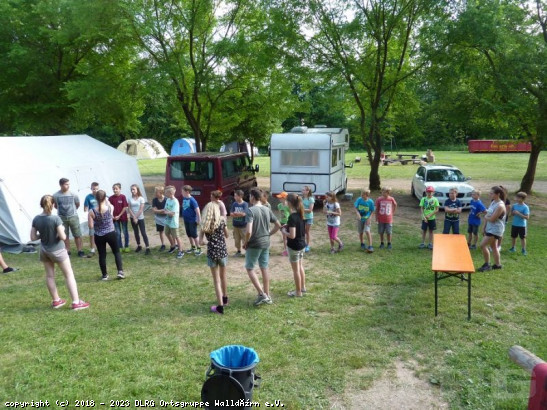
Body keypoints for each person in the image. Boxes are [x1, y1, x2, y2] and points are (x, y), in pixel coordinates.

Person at [30, 194, 89, 310]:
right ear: (53, 205)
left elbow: (33, 237)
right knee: (68, 275)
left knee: (50, 276)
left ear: (41, 205)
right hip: (58, 250)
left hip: (44, 251)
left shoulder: (36, 219)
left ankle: (56, 300)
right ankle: (76, 302)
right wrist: (60, 231)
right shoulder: (55, 219)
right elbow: (63, 237)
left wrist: (43, 234)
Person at [243, 187, 282, 306]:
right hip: (266, 242)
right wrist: (268, 234)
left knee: (250, 268)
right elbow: (278, 225)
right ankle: (267, 295)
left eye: (250, 196)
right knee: (264, 268)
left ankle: (261, 294)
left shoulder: (250, 211)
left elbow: (248, 231)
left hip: (254, 243)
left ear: (253, 197)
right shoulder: (266, 209)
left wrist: (245, 242)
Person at [199, 201, 229, 314]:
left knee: (216, 280)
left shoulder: (204, 224)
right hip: (222, 251)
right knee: (223, 276)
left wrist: (207, 243)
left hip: (212, 253)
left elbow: (200, 242)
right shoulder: (222, 221)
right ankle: (225, 299)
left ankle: (220, 307)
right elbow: (227, 235)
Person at [88, 190, 124, 280]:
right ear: (105, 198)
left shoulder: (91, 211)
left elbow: (90, 226)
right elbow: (111, 214)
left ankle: (105, 275)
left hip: (99, 235)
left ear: (96, 198)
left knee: (102, 255)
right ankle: (120, 271)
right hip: (111, 233)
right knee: (116, 252)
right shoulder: (110, 207)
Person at [281, 193, 307, 297]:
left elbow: (292, 235)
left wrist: (284, 231)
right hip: (302, 244)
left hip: (294, 246)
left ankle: (298, 292)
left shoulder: (292, 217)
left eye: (286, 201)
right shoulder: (301, 214)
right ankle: (303, 287)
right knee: (300, 267)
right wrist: (288, 226)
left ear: (290, 203)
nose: (285, 202)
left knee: (296, 270)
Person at [52, 178, 85, 257]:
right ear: (61, 185)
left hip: (73, 217)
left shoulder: (73, 194)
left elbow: (77, 204)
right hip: (62, 218)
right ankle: (67, 251)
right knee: (64, 235)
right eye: (66, 184)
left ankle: (80, 250)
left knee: (77, 234)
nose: (68, 186)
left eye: (68, 184)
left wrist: (72, 211)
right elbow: (55, 206)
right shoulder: (55, 195)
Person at [478, 186, 507, 271]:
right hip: (490, 228)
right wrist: (484, 227)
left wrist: (485, 217)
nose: (489, 194)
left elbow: (492, 219)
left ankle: (487, 265)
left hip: (495, 230)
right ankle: (498, 265)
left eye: (491, 193)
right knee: (494, 246)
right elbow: (489, 214)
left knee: (483, 245)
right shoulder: (493, 202)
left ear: (498, 194)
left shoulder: (500, 206)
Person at [128, 184, 150, 254]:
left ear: (137, 190)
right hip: (133, 218)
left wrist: (136, 217)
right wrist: (133, 217)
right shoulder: (129, 198)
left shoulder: (141, 198)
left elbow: (141, 209)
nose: (132, 191)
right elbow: (129, 208)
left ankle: (147, 247)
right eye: (131, 189)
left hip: (140, 218)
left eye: (134, 189)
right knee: (136, 232)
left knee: (143, 232)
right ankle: (139, 245)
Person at [164, 186, 184, 258]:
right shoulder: (168, 200)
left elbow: (172, 213)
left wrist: (167, 212)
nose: (165, 194)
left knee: (176, 236)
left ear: (170, 193)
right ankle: (173, 246)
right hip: (167, 221)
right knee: (166, 233)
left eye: (166, 192)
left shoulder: (175, 201)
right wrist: (168, 212)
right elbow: (165, 209)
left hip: (173, 222)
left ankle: (181, 251)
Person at [181, 185, 202, 256]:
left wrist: (198, 219)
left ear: (187, 192)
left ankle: (199, 249)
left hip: (192, 220)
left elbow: (197, 210)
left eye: (183, 191)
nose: (182, 193)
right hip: (186, 219)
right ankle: (193, 247)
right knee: (189, 234)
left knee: (194, 234)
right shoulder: (184, 198)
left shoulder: (192, 200)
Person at [111, 183, 130, 253]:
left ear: (120, 189)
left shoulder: (123, 197)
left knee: (125, 232)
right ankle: (120, 246)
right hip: (115, 219)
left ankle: (126, 246)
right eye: (114, 189)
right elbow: (109, 208)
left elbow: (125, 207)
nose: (115, 190)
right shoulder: (111, 198)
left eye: (116, 189)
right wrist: (113, 216)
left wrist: (119, 215)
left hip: (123, 218)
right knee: (118, 233)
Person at [509, 191, 530, 256]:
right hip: (514, 224)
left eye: (518, 198)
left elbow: (527, 217)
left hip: (522, 225)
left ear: (522, 199)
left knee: (522, 238)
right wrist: (512, 212)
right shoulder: (514, 205)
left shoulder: (525, 207)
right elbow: (511, 215)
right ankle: (513, 248)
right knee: (513, 237)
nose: (517, 199)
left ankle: (523, 250)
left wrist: (518, 213)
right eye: (517, 197)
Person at [229, 189, 248, 257]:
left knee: (244, 239)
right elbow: (231, 214)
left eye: (236, 196)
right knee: (236, 240)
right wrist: (238, 214)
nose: (234, 197)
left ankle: (247, 252)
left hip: (243, 226)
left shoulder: (245, 204)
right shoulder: (234, 204)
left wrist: (236, 213)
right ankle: (238, 251)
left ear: (240, 196)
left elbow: (244, 214)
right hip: (235, 225)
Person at [152, 186, 171, 252]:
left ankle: (173, 244)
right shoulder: (154, 200)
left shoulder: (167, 200)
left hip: (167, 218)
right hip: (158, 219)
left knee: (169, 232)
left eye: (156, 192)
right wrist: (162, 210)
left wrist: (159, 211)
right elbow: (154, 210)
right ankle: (163, 244)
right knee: (161, 231)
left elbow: (168, 210)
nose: (155, 193)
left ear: (161, 192)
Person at [83, 182, 99, 257]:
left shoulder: (100, 196)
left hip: (100, 217)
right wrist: (87, 213)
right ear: (91, 189)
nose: (95, 190)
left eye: (97, 189)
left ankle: (101, 248)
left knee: (101, 233)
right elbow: (85, 208)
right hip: (92, 218)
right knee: (92, 233)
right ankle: (92, 249)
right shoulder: (88, 197)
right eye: (94, 189)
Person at [276, 192, 290, 256]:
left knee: (288, 237)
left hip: (287, 222)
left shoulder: (288, 206)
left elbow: (291, 214)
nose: (279, 199)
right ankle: (286, 249)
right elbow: (281, 214)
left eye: (281, 198)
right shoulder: (279, 205)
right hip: (282, 222)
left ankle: (289, 249)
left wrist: (289, 222)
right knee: (284, 237)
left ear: (285, 198)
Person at [302, 186, 315, 253]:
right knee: (302, 231)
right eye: (302, 190)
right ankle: (303, 244)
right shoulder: (301, 198)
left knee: (307, 231)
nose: (303, 191)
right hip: (302, 217)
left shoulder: (311, 199)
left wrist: (301, 210)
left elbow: (310, 210)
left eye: (304, 190)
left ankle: (307, 245)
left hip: (309, 217)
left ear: (308, 191)